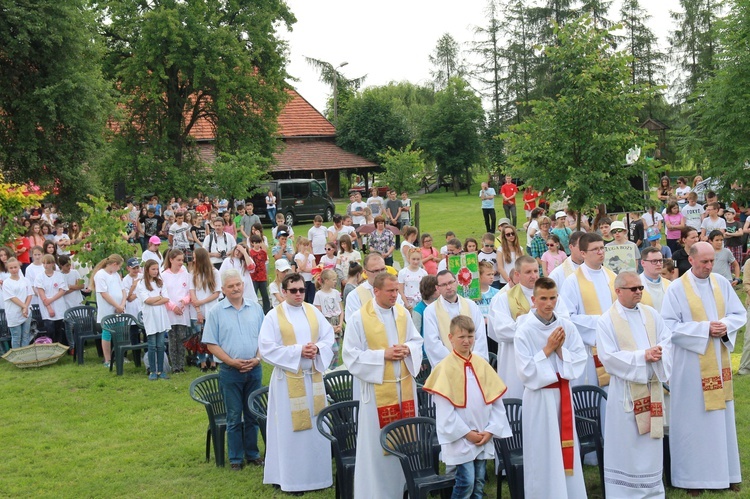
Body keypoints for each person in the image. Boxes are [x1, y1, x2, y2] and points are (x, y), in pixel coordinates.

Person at [661, 242, 745, 495]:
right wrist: (704, 329)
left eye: (712, 261)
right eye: (704, 262)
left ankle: (727, 473)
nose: (709, 266)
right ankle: (691, 479)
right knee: (691, 422)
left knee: (722, 420)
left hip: (718, 363)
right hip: (689, 367)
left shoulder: (721, 283)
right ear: (691, 259)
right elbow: (667, 325)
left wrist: (725, 325)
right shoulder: (676, 289)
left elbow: (738, 313)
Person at [342, 272, 423, 498]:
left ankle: (403, 488)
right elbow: (350, 355)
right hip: (378, 394)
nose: (395, 295)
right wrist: (383, 355)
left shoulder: (402, 314)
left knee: (404, 443)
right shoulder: (359, 318)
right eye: (390, 291)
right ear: (376, 291)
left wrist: (409, 349)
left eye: (397, 290)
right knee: (378, 448)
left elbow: (417, 341)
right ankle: (377, 492)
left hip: (404, 390)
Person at [596, 271, 672, 498]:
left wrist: (660, 352)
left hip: (652, 386)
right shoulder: (607, 320)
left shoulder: (651, 314)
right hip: (625, 393)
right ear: (618, 291)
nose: (639, 292)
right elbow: (608, 357)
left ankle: (652, 490)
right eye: (633, 289)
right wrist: (642, 357)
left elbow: (667, 340)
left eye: (640, 288)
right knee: (628, 443)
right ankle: (625, 492)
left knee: (651, 440)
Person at [259, 272, 334, 493]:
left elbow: (328, 337)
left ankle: (317, 477)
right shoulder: (273, 316)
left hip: (313, 379)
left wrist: (317, 348)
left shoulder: (312, 311)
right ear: (284, 292)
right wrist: (299, 350)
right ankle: (291, 480)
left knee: (315, 428)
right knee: (290, 432)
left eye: (302, 290)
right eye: (293, 291)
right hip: (287, 382)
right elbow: (266, 348)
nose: (299, 294)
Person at [423, 315, 512, 499]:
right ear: (450, 337)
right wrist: (467, 433)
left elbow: (496, 403)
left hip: (482, 434)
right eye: (461, 337)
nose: (466, 341)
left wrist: (490, 430)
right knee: (466, 482)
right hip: (461, 438)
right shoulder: (445, 368)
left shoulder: (482, 365)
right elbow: (445, 412)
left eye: (470, 336)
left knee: (479, 483)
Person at [514, 277, 588, 498]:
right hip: (539, 399)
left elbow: (580, 358)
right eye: (543, 298)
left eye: (553, 298)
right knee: (542, 451)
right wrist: (548, 349)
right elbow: (525, 372)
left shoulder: (566, 326)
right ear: (534, 300)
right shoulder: (525, 331)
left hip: (562, 395)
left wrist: (560, 352)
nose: (549, 303)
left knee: (566, 450)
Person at [203, 269, 266, 471]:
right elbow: (211, 344)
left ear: (243, 285)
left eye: (238, 284)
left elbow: (265, 339)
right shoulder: (216, 312)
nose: (235, 288)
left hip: (254, 369)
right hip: (230, 372)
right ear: (223, 289)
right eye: (230, 286)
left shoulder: (255, 308)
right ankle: (236, 458)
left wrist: (257, 359)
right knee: (233, 416)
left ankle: (253, 454)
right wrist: (231, 361)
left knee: (252, 414)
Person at [560, 232, 616, 387]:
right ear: (583, 253)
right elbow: (566, 318)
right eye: (595, 249)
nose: (600, 252)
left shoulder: (613, 277)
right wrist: (601, 321)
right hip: (587, 350)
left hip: (613, 345)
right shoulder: (572, 282)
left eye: (602, 248)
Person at [423, 270, 489, 367]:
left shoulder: (471, 305)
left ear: (457, 282)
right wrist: (455, 362)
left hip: (473, 364)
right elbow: (432, 343)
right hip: (448, 366)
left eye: (450, 282)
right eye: (444, 285)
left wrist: (473, 359)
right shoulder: (430, 311)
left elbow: (480, 334)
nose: (449, 287)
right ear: (437, 288)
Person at [344, 253, 405, 324]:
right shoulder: (355, 296)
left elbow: (402, 316)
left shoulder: (393, 292)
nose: (380, 274)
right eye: (375, 271)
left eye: (383, 269)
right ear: (365, 272)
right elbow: (353, 324)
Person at [137, 259, 171, 380]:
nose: (156, 271)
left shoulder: (160, 283)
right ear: (147, 270)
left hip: (161, 316)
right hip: (150, 316)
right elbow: (147, 300)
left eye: (157, 269)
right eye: (153, 269)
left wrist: (157, 299)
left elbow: (167, 298)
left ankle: (161, 370)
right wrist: (159, 298)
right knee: (152, 344)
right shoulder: (141, 284)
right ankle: (152, 370)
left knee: (161, 344)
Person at [91, 254, 127, 367]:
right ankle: (107, 359)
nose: (119, 269)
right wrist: (116, 305)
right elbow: (104, 294)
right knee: (107, 334)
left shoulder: (116, 274)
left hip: (119, 309)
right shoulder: (100, 275)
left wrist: (122, 304)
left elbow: (123, 290)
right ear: (114, 264)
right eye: (119, 266)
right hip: (107, 310)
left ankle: (120, 355)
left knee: (120, 333)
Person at [190, 248, 222, 372]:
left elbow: (216, 293)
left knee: (213, 336)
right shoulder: (193, 274)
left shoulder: (214, 273)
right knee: (199, 337)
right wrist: (198, 310)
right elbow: (192, 292)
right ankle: (202, 361)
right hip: (197, 310)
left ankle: (214, 360)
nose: (193, 260)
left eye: (195, 257)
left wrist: (201, 302)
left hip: (211, 308)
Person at [35, 254, 68, 344]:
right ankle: (50, 346)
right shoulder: (39, 277)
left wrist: (51, 299)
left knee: (59, 329)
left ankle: (59, 347)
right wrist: (49, 307)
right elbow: (41, 293)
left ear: (53, 263)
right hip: (46, 306)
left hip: (58, 305)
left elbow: (62, 290)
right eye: (44, 263)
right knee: (49, 329)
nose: (46, 266)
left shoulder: (59, 276)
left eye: (48, 263)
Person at [313, 269, 344, 368]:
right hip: (327, 322)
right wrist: (330, 327)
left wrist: (340, 323)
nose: (335, 282)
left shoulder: (335, 293)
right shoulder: (319, 295)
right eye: (333, 279)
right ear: (326, 280)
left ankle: (333, 369)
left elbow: (341, 309)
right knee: (332, 348)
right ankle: (326, 368)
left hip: (337, 321)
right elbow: (319, 313)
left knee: (337, 349)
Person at [3, 258, 33, 349]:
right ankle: (17, 358)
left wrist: (26, 307)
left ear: (19, 267)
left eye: (15, 267)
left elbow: (29, 294)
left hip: (26, 312)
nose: (14, 270)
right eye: (11, 268)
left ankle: (25, 355)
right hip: (14, 312)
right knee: (16, 337)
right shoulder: (7, 283)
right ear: (8, 269)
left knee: (25, 335)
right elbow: (12, 297)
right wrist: (24, 306)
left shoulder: (25, 280)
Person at [639, 247, 670, 312]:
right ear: (643, 263)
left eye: (661, 260)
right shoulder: (635, 286)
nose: (659, 264)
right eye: (654, 261)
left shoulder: (669, 285)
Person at [248, 235, 270, 313]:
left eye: (259, 242)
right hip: (254, 277)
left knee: (265, 295)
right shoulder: (250, 252)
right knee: (254, 294)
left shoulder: (263, 252)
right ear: (252, 243)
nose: (257, 244)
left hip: (262, 277)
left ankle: (266, 310)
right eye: (255, 243)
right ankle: (253, 309)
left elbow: (265, 260)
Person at [293, 237, 316, 304]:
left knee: (311, 298)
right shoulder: (298, 256)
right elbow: (301, 267)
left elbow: (314, 268)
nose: (306, 247)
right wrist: (306, 257)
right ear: (300, 245)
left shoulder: (311, 256)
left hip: (311, 279)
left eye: (307, 245)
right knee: (304, 298)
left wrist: (304, 270)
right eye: (304, 245)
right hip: (303, 280)